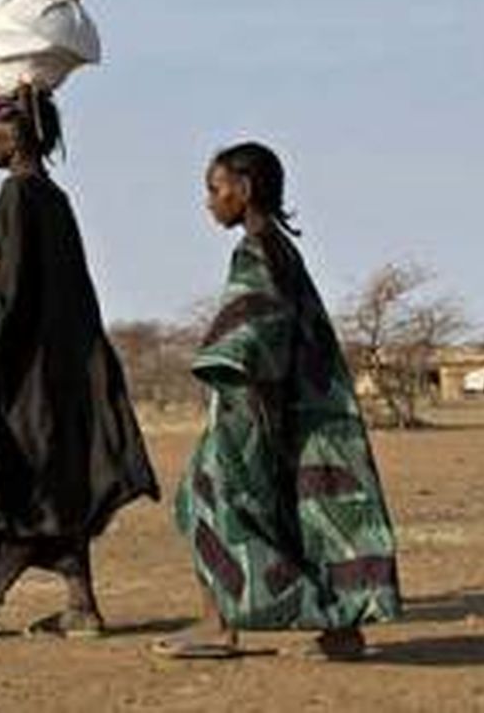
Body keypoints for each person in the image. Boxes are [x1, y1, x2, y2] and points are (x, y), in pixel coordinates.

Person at [0, 87, 159, 639]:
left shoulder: (19, 195)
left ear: (19, 134)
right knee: (46, 482)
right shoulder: (54, 197)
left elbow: (3, 278)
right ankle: (81, 607)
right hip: (53, 374)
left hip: (13, 372)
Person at [156, 143, 400, 660]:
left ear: (243, 191)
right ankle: (340, 630)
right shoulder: (280, 247)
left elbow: (255, 334)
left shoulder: (256, 251)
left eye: (215, 188)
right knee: (298, 514)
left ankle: (218, 625)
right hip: (293, 409)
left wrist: (236, 384)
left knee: (205, 502)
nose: (209, 201)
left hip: (255, 410)